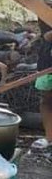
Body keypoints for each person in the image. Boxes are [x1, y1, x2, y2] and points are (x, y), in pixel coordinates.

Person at [33, 16, 52, 149]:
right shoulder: (44, 14)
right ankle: (49, 137)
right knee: (46, 102)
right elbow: (47, 36)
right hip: (45, 67)